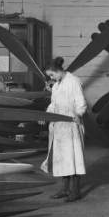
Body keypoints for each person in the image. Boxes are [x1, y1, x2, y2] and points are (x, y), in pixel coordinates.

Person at [42, 56, 87, 202]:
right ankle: (65, 189)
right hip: (59, 125)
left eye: (51, 75)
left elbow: (81, 101)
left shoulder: (73, 81)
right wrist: (45, 115)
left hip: (71, 124)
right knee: (62, 158)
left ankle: (76, 191)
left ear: (58, 71)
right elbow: (53, 104)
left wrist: (78, 114)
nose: (51, 78)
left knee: (73, 158)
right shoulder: (56, 85)